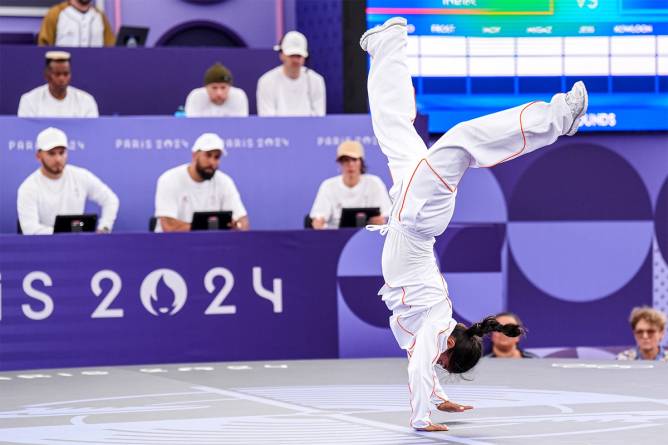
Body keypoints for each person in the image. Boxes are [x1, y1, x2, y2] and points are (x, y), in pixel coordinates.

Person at [360, 17, 587, 431]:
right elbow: (422, 365)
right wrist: (421, 418)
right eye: (445, 360)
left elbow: (418, 361)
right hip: (418, 215)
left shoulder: (422, 330)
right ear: (449, 342)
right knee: (463, 139)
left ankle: (386, 45)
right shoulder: (435, 323)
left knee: (393, 130)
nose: (438, 362)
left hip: (408, 211)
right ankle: (557, 118)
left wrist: (441, 399)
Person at [17, 127, 119, 235]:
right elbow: (30, 230)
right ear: (38, 156)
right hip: (44, 246)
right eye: (51, 153)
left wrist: (104, 227)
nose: (58, 159)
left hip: (78, 242)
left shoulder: (81, 176)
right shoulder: (28, 188)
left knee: (84, 226)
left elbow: (111, 200)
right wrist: (64, 232)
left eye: (62, 153)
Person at [153, 132, 249, 232]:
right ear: (194, 155)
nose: (212, 162)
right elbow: (169, 226)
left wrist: (237, 226)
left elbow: (243, 221)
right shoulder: (169, 179)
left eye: (217, 157)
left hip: (212, 244)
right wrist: (208, 227)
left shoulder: (225, 181)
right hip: (172, 244)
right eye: (208, 155)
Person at [309, 140, 391, 229]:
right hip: (336, 239)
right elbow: (318, 219)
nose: (350, 164)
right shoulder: (328, 186)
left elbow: (387, 216)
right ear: (340, 163)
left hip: (369, 236)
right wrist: (318, 222)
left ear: (361, 162)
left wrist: (381, 221)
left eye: (354, 160)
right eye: (346, 160)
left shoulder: (375, 183)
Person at [256, 31, 326, 116]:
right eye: (291, 55)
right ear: (281, 55)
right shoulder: (266, 81)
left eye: (299, 56)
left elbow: (319, 115)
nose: (295, 60)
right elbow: (267, 118)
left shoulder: (316, 81)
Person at [18, 51, 99, 118]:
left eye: (66, 74)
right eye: (57, 74)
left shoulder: (86, 101)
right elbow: (25, 131)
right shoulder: (29, 100)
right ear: (47, 75)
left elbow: (91, 132)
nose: (62, 79)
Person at [38, 0, 115, 47]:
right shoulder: (55, 13)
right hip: (65, 71)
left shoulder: (100, 16)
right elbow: (43, 47)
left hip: (95, 68)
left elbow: (110, 48)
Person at [184, 63, 249, 117]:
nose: (219, 93)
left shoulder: (239, 96)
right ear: (206, 87)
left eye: (223, 87)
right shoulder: (195, 97)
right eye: (214, 88)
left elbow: (239, 125)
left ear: (229, 87)